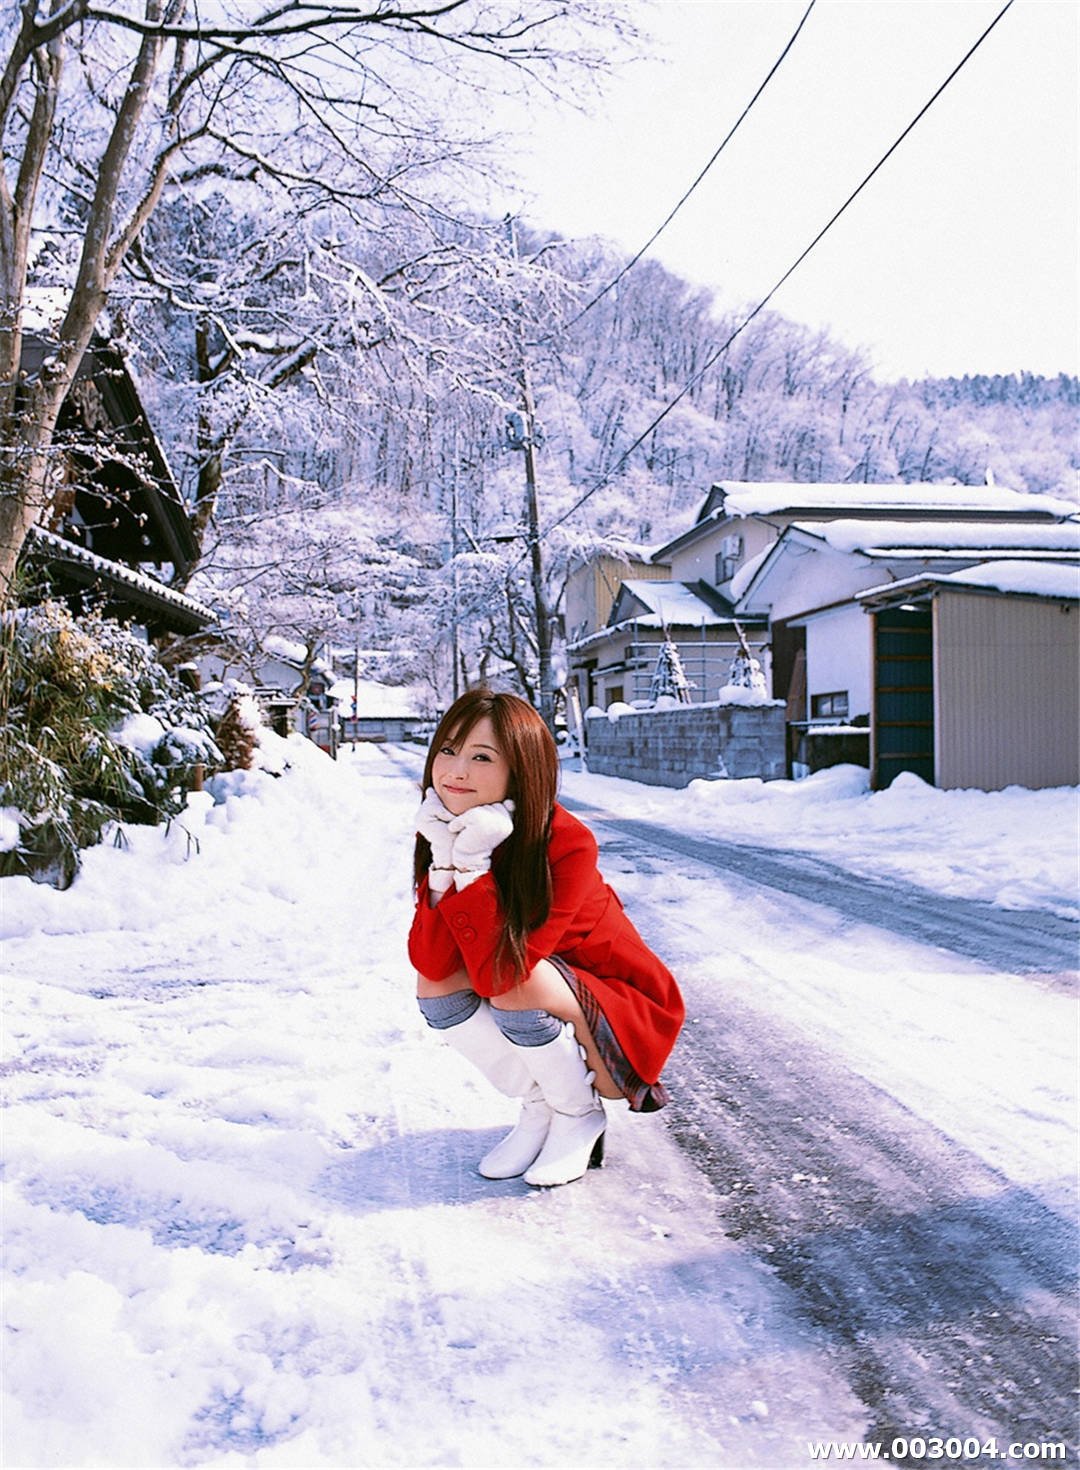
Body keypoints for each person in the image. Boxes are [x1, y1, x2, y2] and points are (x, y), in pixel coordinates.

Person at [408, 687, 685, 1188]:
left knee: (515, 986)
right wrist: (446, 861)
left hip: (619, 1009)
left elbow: (504, 974)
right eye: (448, 750)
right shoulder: (450, 827)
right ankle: (541, 1107)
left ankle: (578, 1113)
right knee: (436, 990)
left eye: (482, 757)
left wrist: (473, 866)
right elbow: (432, 962)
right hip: (540, 986)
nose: (456, 771)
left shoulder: (567, 841)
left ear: (522, 769)